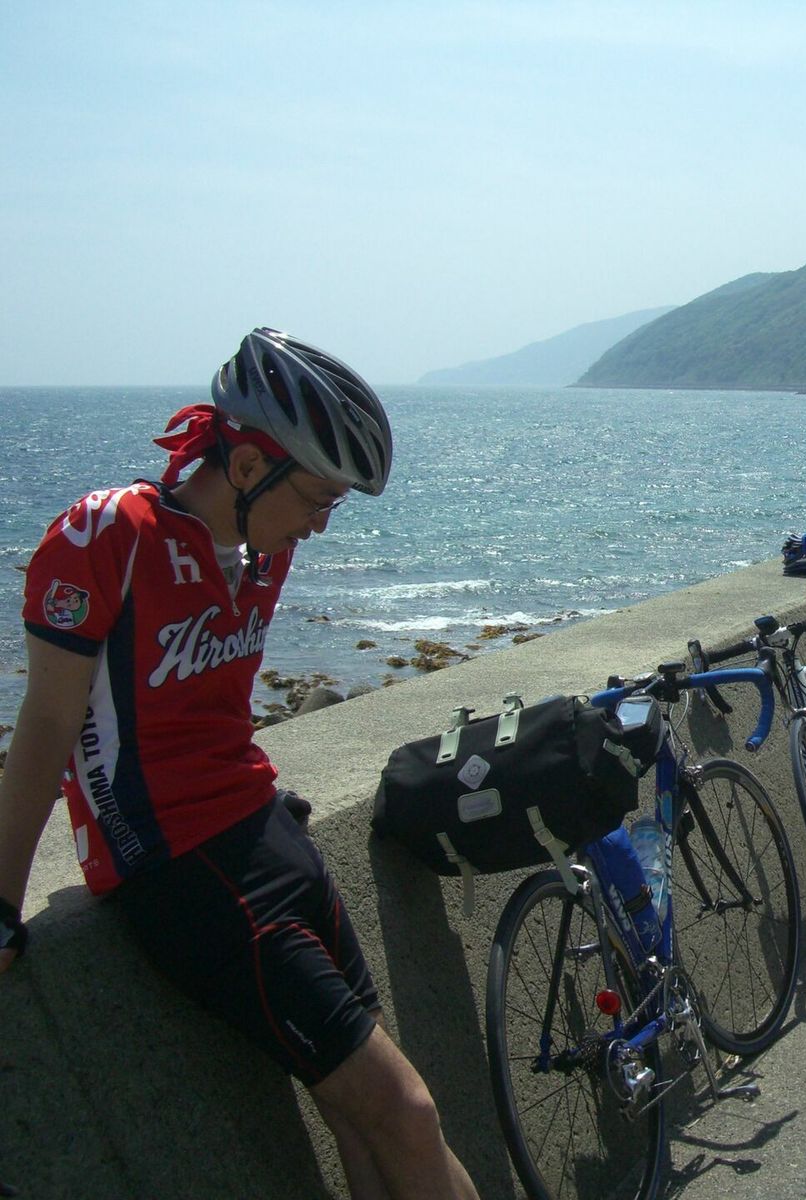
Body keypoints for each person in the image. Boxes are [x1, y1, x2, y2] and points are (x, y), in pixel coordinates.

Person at [0, 329, 480, 1199]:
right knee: (404, 1111)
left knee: (368, 1121)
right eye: (319, 497)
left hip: (268, 833)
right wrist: (1, 902)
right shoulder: (107, 534)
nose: (321, 524)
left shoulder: (268, 545)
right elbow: (46, 722)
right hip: (181, 866)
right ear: (251, 463)